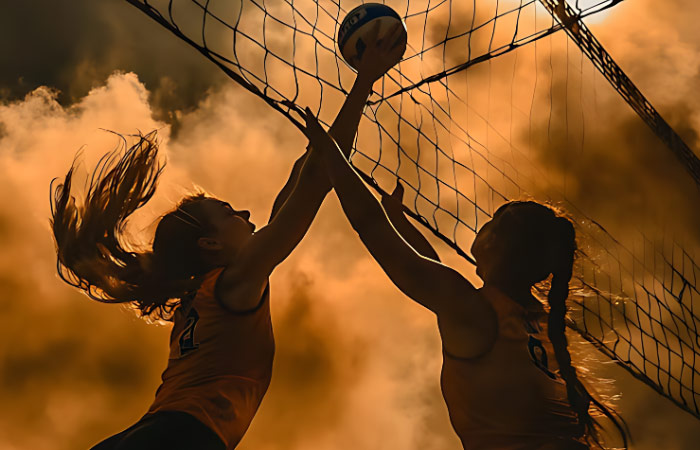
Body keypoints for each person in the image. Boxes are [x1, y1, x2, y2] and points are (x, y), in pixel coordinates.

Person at [50, 23, 406, 450]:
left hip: (152, 434)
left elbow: (303, 179)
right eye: (228, 212)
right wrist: (363, 82)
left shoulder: (208, 296)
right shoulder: (233, 288)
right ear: (210, 243)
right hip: (177, 436)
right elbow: (312, 182)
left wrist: (326, 140)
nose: (245, 212)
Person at [304, 114, 630, 450]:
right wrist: (399, 221)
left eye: (492, 219)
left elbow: (371, 225)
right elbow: (433, 273)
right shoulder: (538, 318)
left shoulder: (475, 312)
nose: (484, 223)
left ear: (494, 244)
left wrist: (330, 151)